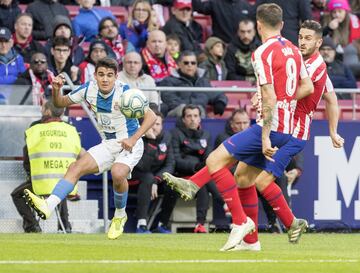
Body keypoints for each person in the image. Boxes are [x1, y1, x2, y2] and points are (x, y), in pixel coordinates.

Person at [163, 3, 314, 251]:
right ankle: (251, 242)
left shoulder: (262, 52)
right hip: (288, 128)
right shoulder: (293, 50)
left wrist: (265, 136)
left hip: (271, 127)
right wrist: (279, 98)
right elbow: (306, 88)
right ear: (283, 25)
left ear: (258, 24)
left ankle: (240, 221)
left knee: (214, 161)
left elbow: (269, 96)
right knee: (243, 179)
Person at [24, 57, 157, 240]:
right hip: (109, 144)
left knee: (118, 173)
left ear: (115, 77)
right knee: (75, 168)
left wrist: (133, 139)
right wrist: (56, 89)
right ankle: (48, 205)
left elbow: (151, 117)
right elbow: (60, 103)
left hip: (131, 143)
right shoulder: (88, 89)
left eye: (109, 75)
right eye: (101, 74)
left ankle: (119, 216)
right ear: (94, 75)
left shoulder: (125, 92)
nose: (105, 79)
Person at [11, 100, 82, 233]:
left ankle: (32, 226)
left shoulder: (34, 128)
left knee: (17, 194)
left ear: (48, 111)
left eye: (43, 108)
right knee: (60, 187)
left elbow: (28, 157)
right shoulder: (70, 130)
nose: (41, 110)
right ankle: (65, 225)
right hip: (67, 181)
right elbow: (77, 155)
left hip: (42, 181)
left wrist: (31, 176)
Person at [171, 104, 224, 233]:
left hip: (201, 176)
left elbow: (208, 158)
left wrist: (202, 167)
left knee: (203, 183)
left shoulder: (206, 135)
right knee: (205, 179)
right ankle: (225, 201)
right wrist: (195, 166)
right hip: (182, 175)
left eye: (195, 116)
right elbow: (176, 161)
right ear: (183, 119)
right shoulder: (175, 133)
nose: (192, 119)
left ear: (200, 118)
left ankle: (199, 224)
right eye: (189, 116)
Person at [132, 110, 175, 233]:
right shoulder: (137, 138)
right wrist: (150, 141)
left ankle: (162, 224)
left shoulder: (166, 138)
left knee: (172, 186)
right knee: (147, 177)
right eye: (151, 124)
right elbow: (142, 166)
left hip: (155, 180)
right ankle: (141, 224)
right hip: (134, 178)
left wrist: (156, 180)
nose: (154, 127)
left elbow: (170, 164)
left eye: (157, 124)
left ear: (162, 126)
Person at [158, 50, 228, 117]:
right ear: (179, 64)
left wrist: (220, 102)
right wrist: (191, 109)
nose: (190, 65)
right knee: (185, 109)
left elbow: (218, 94)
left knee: (198, 111)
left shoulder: (202, 82)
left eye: (193, 63)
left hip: (199, 115)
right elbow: (171, 101)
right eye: (186, 63)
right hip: (176, 116)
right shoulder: (168, 81)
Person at [191, 0, 255, 43]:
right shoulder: (215, 3)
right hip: (220, 46)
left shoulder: (246, 5)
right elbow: (198, 7)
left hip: (240, 47)